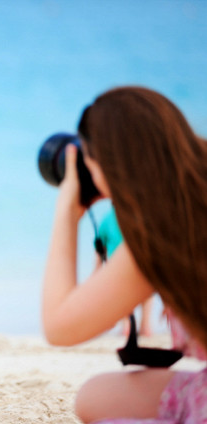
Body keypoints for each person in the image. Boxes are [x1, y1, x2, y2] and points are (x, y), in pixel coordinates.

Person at [42, 86, 207, 423]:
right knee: (96, 397)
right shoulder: (193, 195)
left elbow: (60, 328)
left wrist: (67, 211)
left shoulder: (166, 228)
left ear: (110, 165)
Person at [97, 207, 154, 337]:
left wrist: (96, 273)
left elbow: (99, 251)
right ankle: (144, 326)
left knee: (124, 295)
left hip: (118, 267)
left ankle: (128, 327)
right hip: (141, 263)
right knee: (146, 291)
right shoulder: (142, 213)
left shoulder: (107, 220)